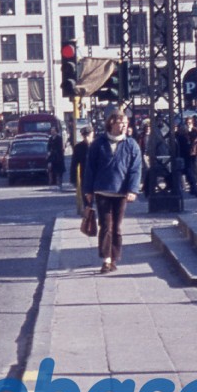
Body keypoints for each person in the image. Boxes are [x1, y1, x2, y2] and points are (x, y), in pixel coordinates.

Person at [82, 107, 143, 274]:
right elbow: (90, 168)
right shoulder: (98, 144)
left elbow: (136, 169)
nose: (123, 126)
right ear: (111, 123)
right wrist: (87, 190)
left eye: (125, 123)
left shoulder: (131, 145)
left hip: (121, 192)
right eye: (119, 123)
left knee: (117, 227)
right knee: (106, 225)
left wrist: (132, 189)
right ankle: (106, 260)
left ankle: (114, 257)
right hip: (102, 191)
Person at [71, 126, 93, 215]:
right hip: (85, 177)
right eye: (85, 136)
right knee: (87, 202)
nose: (87, 138)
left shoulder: (97, 145)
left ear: (92, 134)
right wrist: (73, 180)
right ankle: (88, 221)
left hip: (98, 177)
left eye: (88, 135)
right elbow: (74, 164)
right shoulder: (78, 147)